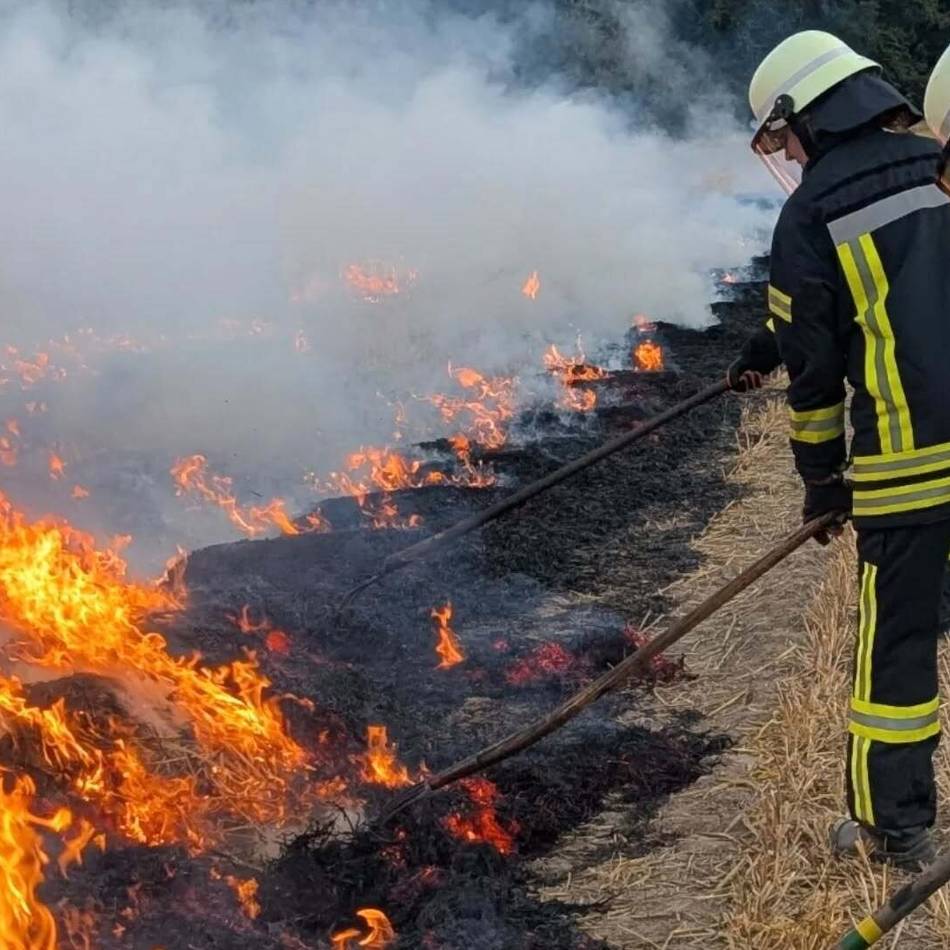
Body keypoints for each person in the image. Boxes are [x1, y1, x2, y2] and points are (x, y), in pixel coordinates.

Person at [747, 30, 950, 870]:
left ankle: (891, 827)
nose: (790, 155)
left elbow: (816, 372)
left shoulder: (810, 213)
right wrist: (764, 342)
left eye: (784, 137)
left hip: (908, 469)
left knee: (897, 651)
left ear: (806, 116)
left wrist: (822, 481)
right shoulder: (937, 164)